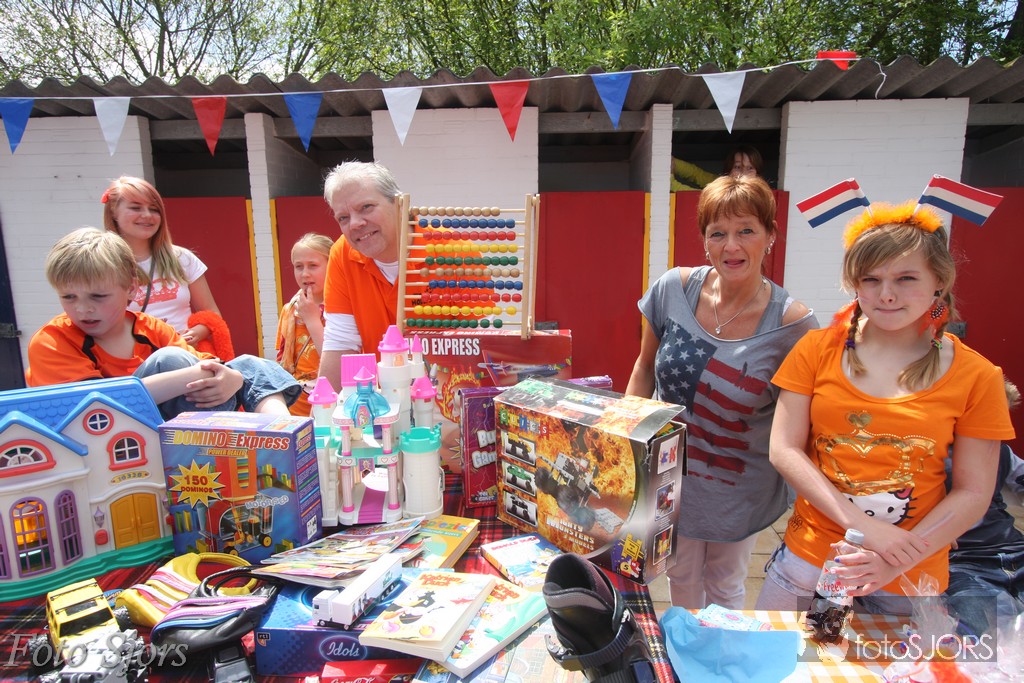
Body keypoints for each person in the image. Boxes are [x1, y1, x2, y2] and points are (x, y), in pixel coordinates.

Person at [756, 201, 1015, 615]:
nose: (887, 294)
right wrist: (865, 527)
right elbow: (784, 450)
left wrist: (895, 559)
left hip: (909, 576)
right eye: (871, 279)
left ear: (939, 281)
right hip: (809, 562)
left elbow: (973, 492)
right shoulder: (816, 350)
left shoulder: (977, 375)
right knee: (773, 657)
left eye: (906, 278)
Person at [625, 174, 817, 609]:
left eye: (746, 230)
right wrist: (627, 445)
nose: (732, 246)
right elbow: (644, 367)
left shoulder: (794, 325)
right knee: (679, 576)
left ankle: (719, 651)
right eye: (718, 233)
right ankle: (685, 649)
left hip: (738, 487)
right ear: (705, 241)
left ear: (770, 236)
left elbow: (802, 421)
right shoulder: (673, 289)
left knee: (725, 586)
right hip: (670, 475)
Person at [25, 228, 300, 419]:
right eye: (68, 297)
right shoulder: (53, 341)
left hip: (191, 423)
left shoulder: (151, 328)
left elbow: (208, 368)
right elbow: (95, 407)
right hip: (119, 436)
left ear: (131, 289)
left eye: (98, 296)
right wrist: (190, 377)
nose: (82, 308)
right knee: (169, 359)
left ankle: (284, 435)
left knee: (250, 365)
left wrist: (233, 378)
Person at [102, 175, 231, 356]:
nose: (147, 215)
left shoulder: (182, 258)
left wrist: (196, 333)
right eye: (136, 207)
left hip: (188, 354)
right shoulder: (102, 266)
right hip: (136, 359)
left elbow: (211, 312)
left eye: (154, 209)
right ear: (113, 212)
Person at [943, 380, 1024, 636]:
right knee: (979, 630)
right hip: (965, 561)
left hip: (1014, 549)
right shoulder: (928, 454)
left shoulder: (1000, 451)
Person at [318, 161, 404, 391]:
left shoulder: (453, 255)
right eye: (343, 218)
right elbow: (340, 342)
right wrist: (324, 408)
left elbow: (477, 345)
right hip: (379, 399)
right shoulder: (342, 254)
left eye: (366, 207)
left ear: (398, 204)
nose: (355, 224)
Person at [277, 232, 333, 416]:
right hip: (296, 406)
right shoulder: (290, 310)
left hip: (330, 402)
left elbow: (338, 362)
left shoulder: (342, 310)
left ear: (332, 265)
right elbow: (283, 361)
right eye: (298, 266)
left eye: (313, 265)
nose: (305, 273)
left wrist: (312, 320)